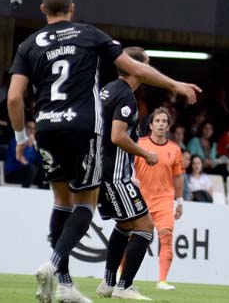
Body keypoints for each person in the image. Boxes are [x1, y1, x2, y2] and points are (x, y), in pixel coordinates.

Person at [7, 0, 199, 303]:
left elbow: (14, 97)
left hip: (46, 128)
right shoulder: (89, 34)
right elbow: (136, 68)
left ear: (42, 10)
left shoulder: (29, 44)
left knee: (60, 202)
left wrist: (19, 137)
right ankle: (54, 266)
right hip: (84, 130)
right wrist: (175, 84)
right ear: (72, 9)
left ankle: (65, 283)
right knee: (85, 205)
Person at [94, 47, 158, 300]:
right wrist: (146, 154)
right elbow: (117, 136)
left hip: (100, 170)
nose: (148, 69)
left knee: (123, 225)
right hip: (115, 174)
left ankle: (108, 283)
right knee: (145, 227)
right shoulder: (126, 98)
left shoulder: (106, 89)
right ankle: (124, 286)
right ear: (135, 67)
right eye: (146, 64)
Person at [134, 107, 185, 291]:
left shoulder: (174, 149)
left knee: (166, 238)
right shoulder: (139, 144)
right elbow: (127, 166)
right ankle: (119, 274)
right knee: (133, 239)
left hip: (164, 201)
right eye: (158, 121)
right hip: (141, 199)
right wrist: (131, 177)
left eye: (164, 121)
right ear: (151, 124)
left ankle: (162, 281)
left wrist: (179, 201)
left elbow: (178, 177)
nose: (161, 124)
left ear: (168, 125)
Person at [4, 120, 44, 188]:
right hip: (13, 174)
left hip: (29, 174)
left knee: (45, 170)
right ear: (24, 129)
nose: (32, 131)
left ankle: (44, 193)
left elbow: (41, 160)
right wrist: (28, 145)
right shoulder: (16, 141)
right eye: (29, 128)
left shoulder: (34, 144)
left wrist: (37, 147)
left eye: (34, 128)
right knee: (32, 169)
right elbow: (22, 161)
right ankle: (25, 192)